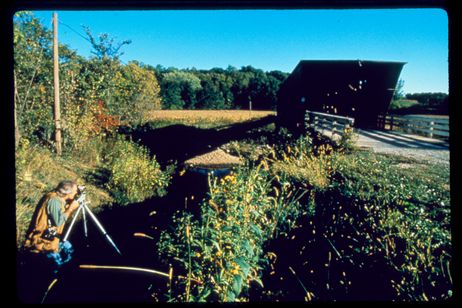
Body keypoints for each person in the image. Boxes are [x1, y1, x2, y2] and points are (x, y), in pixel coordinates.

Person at [19, 180, 81, 302]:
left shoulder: (57, 200)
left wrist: (69, 206)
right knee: (41, 277)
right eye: (74, 192)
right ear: (67, 193)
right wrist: (71, 208)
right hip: (40, 245)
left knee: (68, 249)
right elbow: (58, 221)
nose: (75, 195)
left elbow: (56, 217)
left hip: (46, 242)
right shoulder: (53, 200)